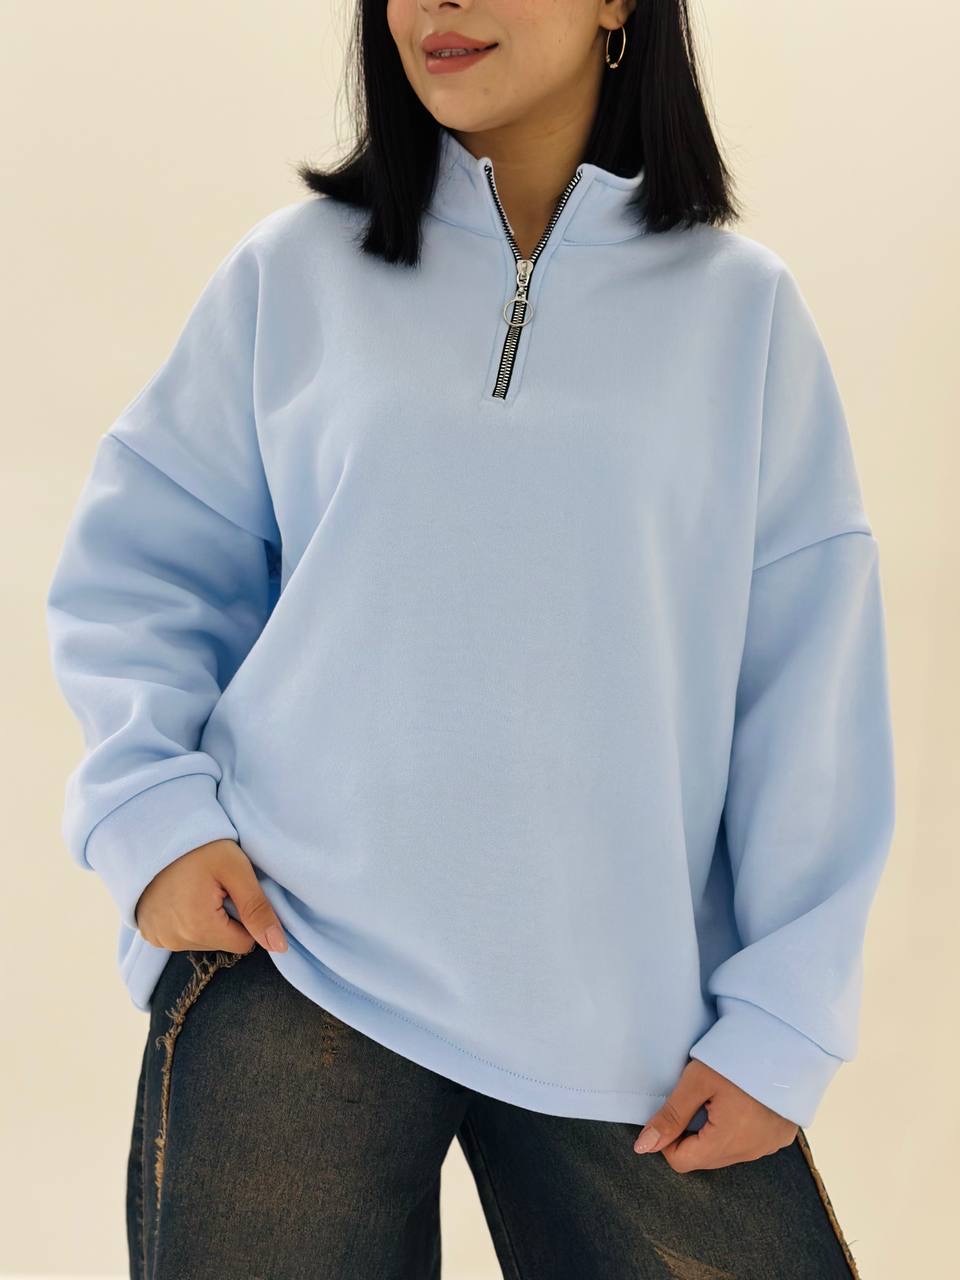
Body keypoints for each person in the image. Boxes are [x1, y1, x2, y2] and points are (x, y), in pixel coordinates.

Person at [46, 1, 894, 1276]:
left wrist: (784, 1015)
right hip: (294, 958)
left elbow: (806, 690)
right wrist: (153, 816)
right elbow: (141, 565)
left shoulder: (742, 315)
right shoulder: (293, 275)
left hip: (629, 1019)